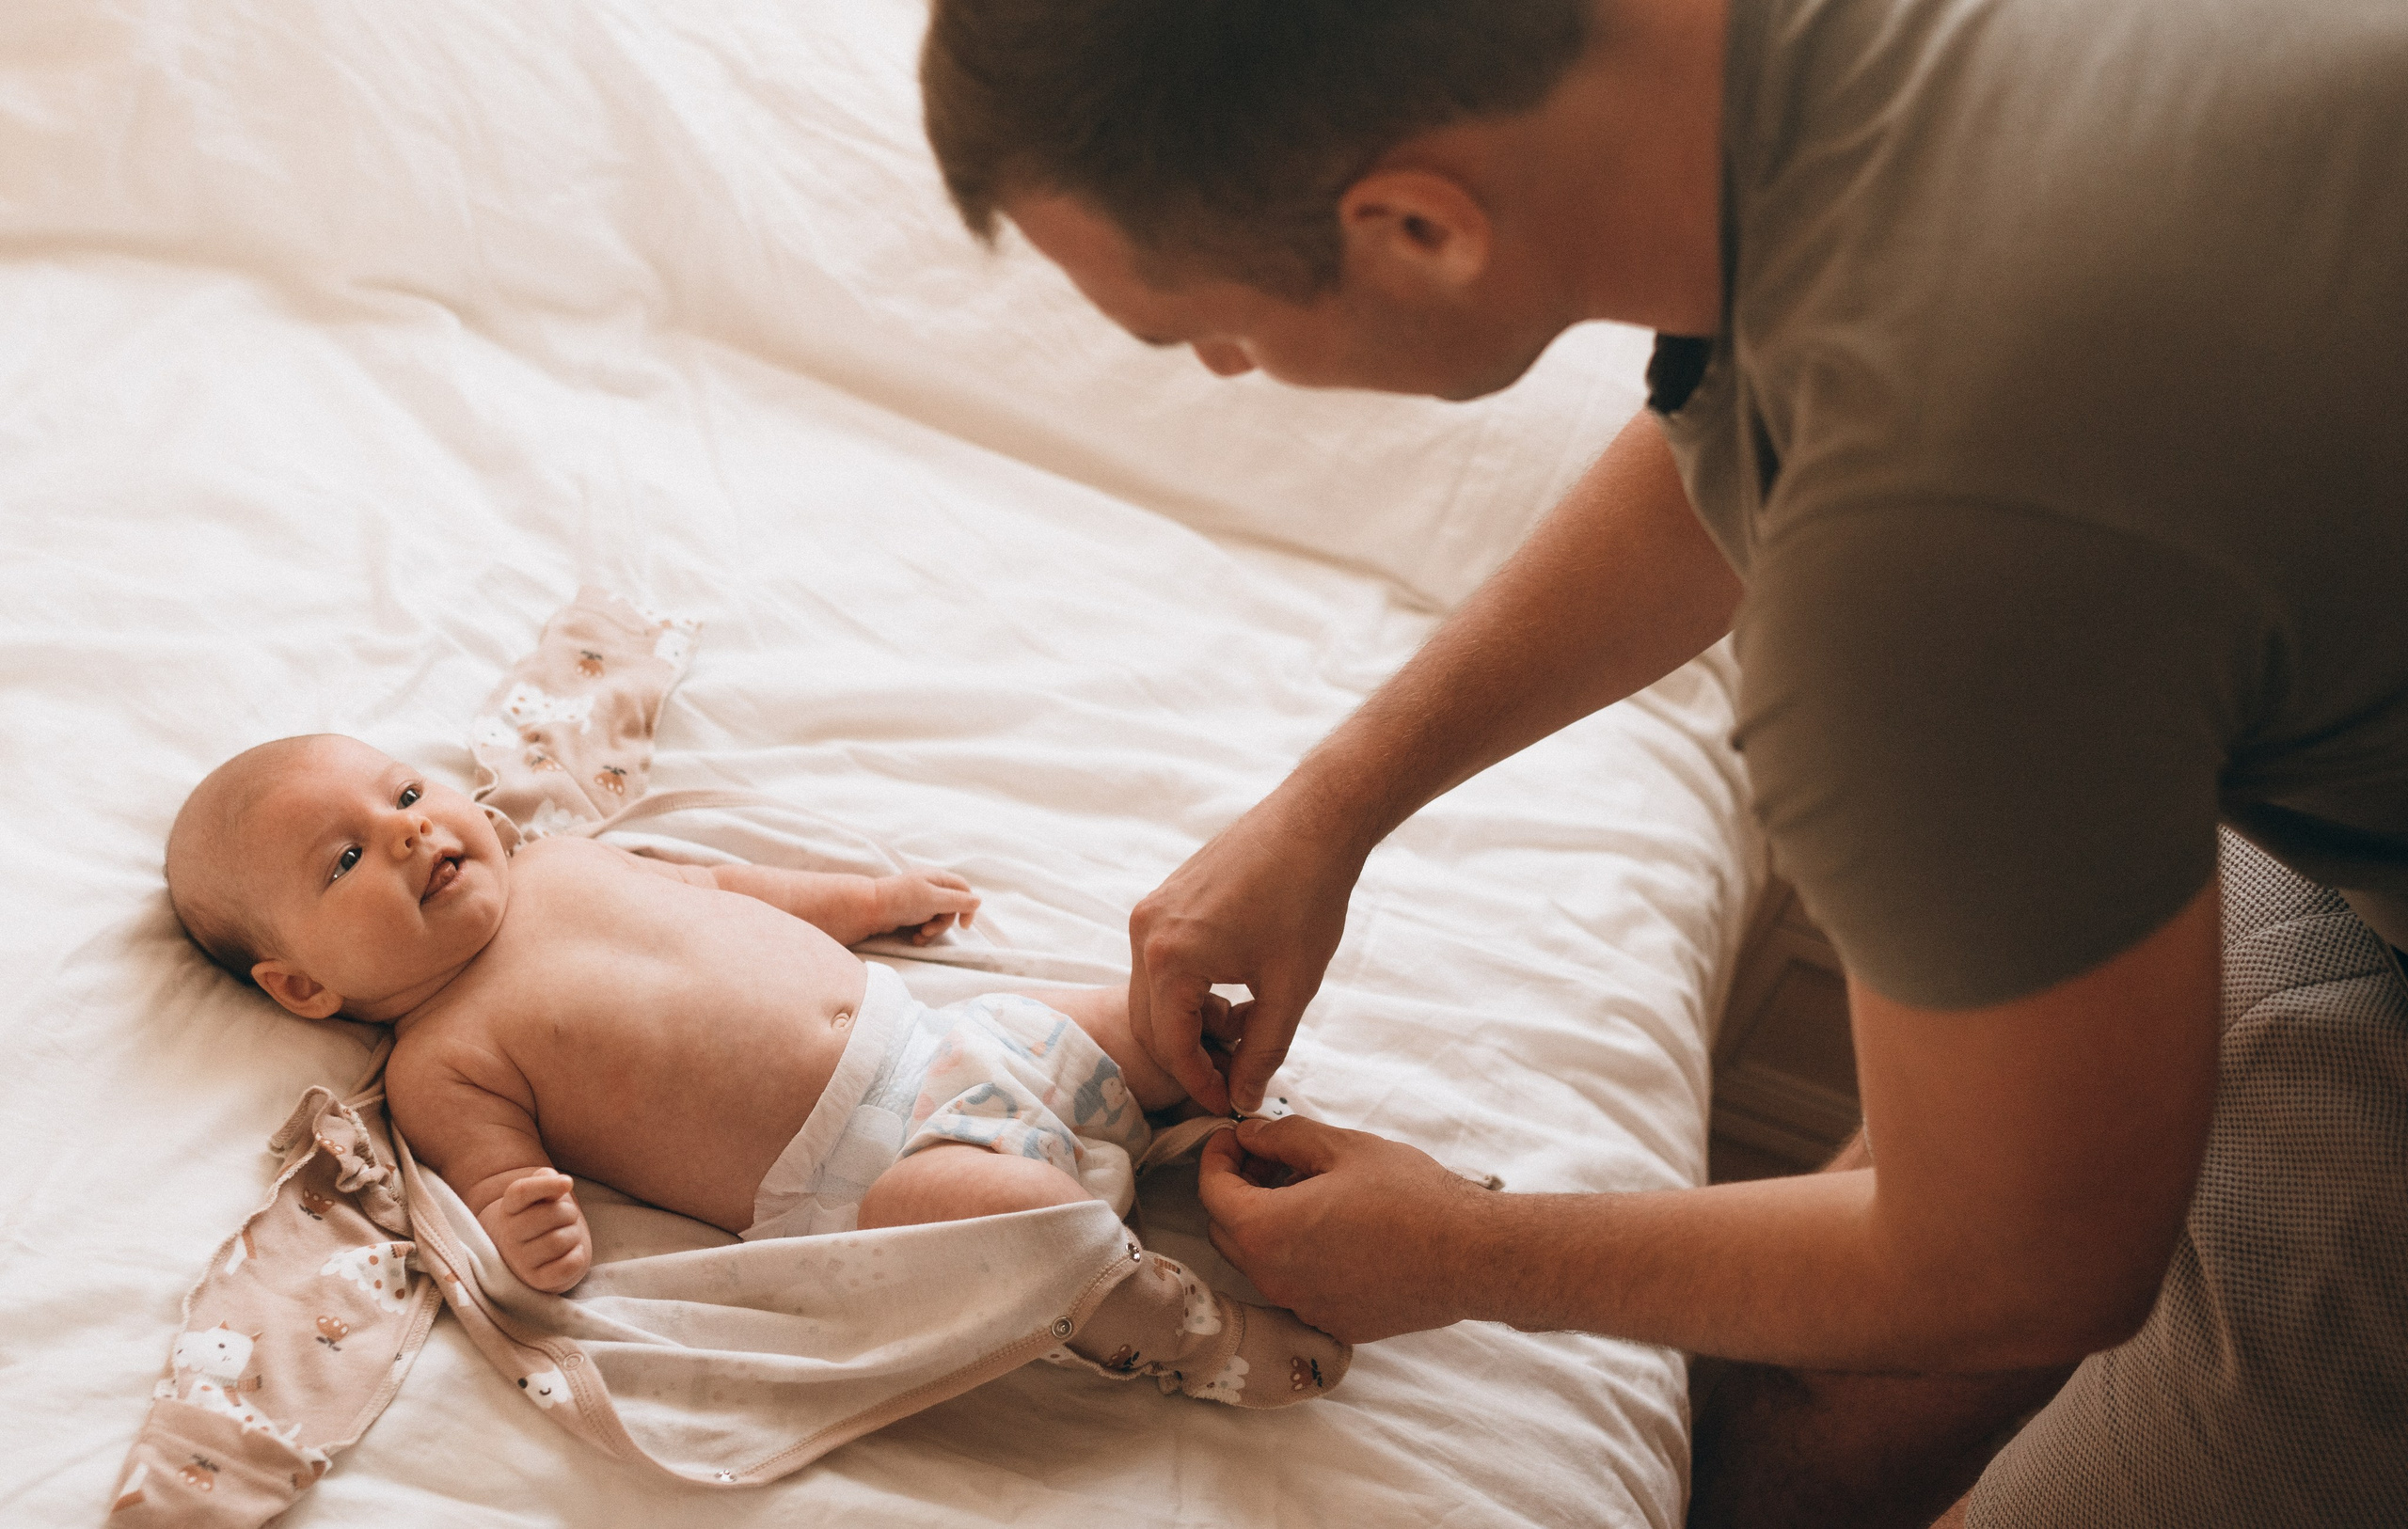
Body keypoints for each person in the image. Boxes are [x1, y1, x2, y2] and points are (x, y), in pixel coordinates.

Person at [918, 0, 2408, 1523]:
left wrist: (1471, 1255)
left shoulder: (1926, 562)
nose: (1228, 370)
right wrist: (1332, 808)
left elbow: (2026, 1267)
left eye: (1204, 333)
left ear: (1421, 228)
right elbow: (1760, 411)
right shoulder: (1815, 101)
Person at [162, 733, 1349, 1409]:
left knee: (1126, 1020)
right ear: (303, 989)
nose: (413, 831)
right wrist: (529, 1229)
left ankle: (1249, 1114)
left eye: (407, 792)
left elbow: (738, 893)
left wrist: (872, 901)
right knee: (1010, 1224)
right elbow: (501, 1187)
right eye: (348, 857)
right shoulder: (440, 1060)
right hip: (879, 1180)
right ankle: (1195, 1336)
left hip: (955, 1041)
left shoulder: (571, 860)